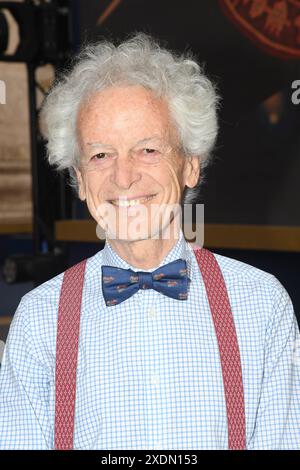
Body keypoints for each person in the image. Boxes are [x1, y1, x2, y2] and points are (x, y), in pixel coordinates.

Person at [0, 33, 299, 450]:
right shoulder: (38, 321)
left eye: (148, 150)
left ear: (190, 165)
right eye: (101, 155)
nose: (124, 177)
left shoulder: (262, 306)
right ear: (81, 181)